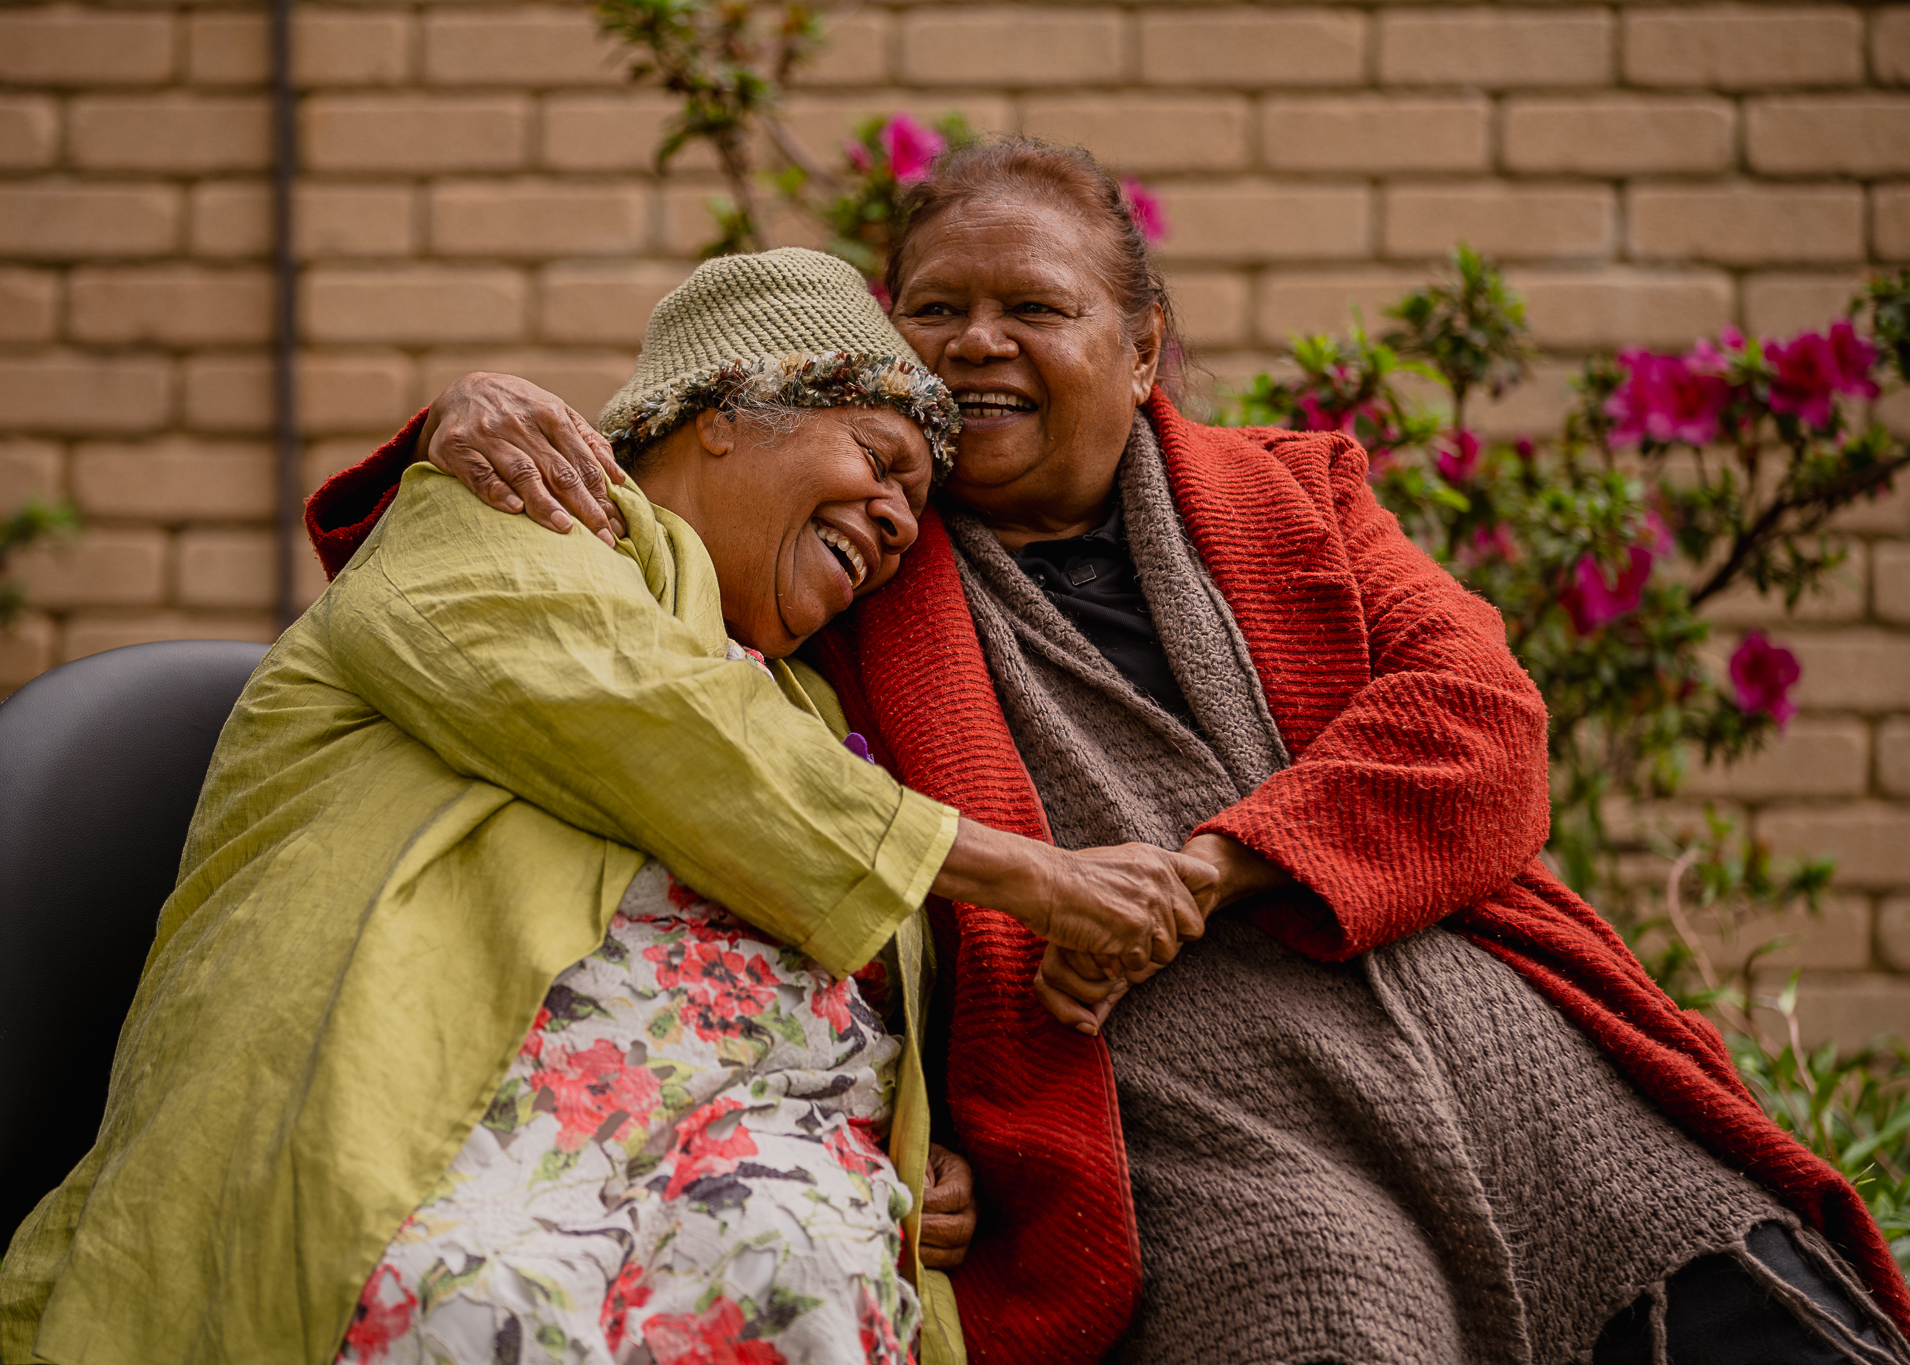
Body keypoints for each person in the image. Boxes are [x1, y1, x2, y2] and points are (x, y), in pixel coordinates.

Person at [308, 142, 1910, 1365]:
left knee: (1749, 1302)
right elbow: (634, 534)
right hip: (1184, 1124)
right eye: (935, 313)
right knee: (1318, 1324)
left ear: (1141, 351)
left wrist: (1211, 869)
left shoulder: (1296, 497)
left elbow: (1478, 724)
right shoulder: (852, 553)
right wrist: (471, 420)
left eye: (1035, 309)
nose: (977, 344)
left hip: (1492, 1044)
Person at [0, 249, 1221, 1365]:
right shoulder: (503, 522)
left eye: (914, 506)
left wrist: (908, 1144)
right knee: (479, 1301)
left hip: (725, 1172)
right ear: (727, 416)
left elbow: (859, 960)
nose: (901, 522)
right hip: (452, 1129)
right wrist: (1033, 874)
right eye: (881, 461)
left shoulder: (801, 701)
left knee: (799, 1284)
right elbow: (656, 727)